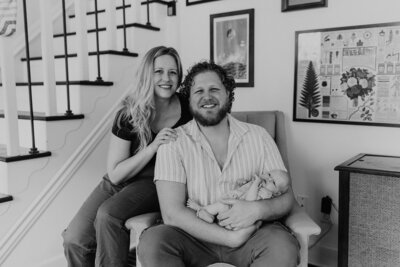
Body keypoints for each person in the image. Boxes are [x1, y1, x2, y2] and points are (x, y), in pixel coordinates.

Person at [137, 61, 299, 267]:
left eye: (214, 89)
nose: (207, 97)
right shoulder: (173, 142)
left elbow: (286, 199)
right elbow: (172, 213)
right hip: (193, 237)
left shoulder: (259, 136)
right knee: (153, 242)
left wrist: (257, 210)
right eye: (198, 91)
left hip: (253, 235)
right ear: (189, 99)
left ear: (228, 95)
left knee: (283, 247)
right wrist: (229, 238)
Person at [62, 46, 192, 267]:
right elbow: (115, 174)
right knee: (74, 240)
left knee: (108, 215)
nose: (166, 78)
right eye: (158, 71)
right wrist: (152, 147)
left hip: (155, 181)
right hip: (121, 177)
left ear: (179, 76)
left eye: (172, 72)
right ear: (147, 74)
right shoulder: (129, 113)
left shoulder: (188, 109)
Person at [186, 169, 290, 225]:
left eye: (274, 183)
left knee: (221, 205)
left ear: (276, 194)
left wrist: (255, 183)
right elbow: (244, 191)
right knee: (221, 206)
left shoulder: (266, 193)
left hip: (237, 216)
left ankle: (201, 209)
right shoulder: (258, 184)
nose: (269, 179)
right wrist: (243, 183)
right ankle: (209, 216)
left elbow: (250, 201)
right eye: (269, 174)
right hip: (232, 207)